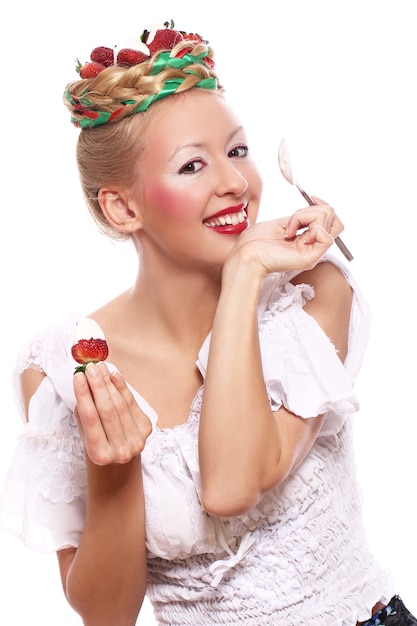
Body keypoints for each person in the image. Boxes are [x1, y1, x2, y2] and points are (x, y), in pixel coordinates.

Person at [0, 19, 415, 626]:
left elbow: (230, 486)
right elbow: (107, 615)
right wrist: (113, 466)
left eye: (238, 151)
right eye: (193, 166)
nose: (235, 184)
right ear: (122, 207)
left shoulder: (309, 295)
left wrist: (245, 276)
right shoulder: (68, 369)